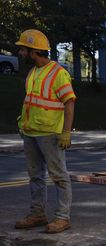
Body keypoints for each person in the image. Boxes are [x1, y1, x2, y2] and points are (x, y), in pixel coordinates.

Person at [14, 29, 76, 234]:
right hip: (31, 132)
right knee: (35, 176)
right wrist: (22, 122)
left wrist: (66, 133)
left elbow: (69, 103)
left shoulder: (58, 73)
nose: (21, 53)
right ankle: (38, 214)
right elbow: (31, 101)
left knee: (59, 176)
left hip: (50, 134)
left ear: (33, 52)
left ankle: (62, 218)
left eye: (23, 49)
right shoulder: (32, 72)